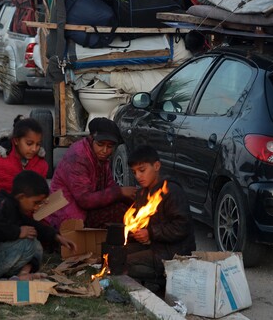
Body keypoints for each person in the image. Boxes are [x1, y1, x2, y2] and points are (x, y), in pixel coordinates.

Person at [0, 170, 77, 280]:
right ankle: (21, 275)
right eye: (36, 202)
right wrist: (17, 232)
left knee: (34, 240)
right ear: (21, 197)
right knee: (29, 242)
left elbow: (32, 225)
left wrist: (56, 236)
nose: (37, 207)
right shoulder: (1, 205)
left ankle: (23, 274)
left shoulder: (15, 208)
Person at [125, 145, 196, 293]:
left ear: (156, 166)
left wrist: (150, 233)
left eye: (142, 170)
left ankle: (163, 280)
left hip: (174, 251)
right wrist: (135, 232)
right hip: (155, 245)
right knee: (116, 254)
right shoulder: (142, 193)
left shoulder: (171, 191)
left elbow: (182, 226)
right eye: (134, 172)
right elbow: (140, 221)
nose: (138, 176)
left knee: (125, 263)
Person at [47, 117, 137, 230]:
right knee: (120, 214)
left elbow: (109, 185)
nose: (104, 150)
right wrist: (119, 192)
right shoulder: (78, 157)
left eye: (109, 147)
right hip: (66, 215)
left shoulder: (101, 158)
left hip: (85, 208)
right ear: (91, 138)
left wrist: (131, 198)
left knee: (128, 209)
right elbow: (85, 200)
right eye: (100, 144)